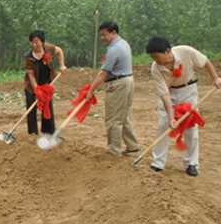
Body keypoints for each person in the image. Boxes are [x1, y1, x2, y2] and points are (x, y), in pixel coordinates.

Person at [146, 36, 221, 176]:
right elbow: (165, 95)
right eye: (152, 57)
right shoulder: (155, 68)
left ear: (167, 51)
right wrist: (171, 117)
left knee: (190, 127)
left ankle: (191, 163)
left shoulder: (186, 51)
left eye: (156, 56)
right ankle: (158, 163)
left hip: (188, 91)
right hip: (170, 93)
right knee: (164, 125)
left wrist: (215, 78)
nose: (155, 60)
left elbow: (205, 61)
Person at [85, 21, 140, 156]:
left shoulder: (114, 49)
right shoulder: (124, 43)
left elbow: (103, 73)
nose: (103, 38)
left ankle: (114, 151)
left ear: (114, 32)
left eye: (105, 35)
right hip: (128, 80)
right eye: (101, 35)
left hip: (118, 84)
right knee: (123, 116)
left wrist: (91, 91)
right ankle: (132, 145)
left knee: (113, 119)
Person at [23, 29, 67, 135]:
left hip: (47, 83)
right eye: (32, 42)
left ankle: (49, 132)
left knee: (47, 106)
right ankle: (33, 134)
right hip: (32, 86)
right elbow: (31, 76)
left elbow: (59, 51)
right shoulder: (29, 57)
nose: (34, 44)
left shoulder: (48, 48)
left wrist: (62, 65)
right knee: (31, 109)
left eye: (36, 41)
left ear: (42, 41)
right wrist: (37, 90)